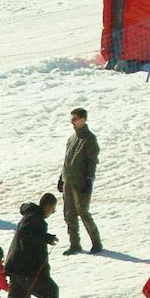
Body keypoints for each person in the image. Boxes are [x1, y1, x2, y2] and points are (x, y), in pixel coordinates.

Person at [0, 193, 60, 298]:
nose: (52, 212)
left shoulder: (31, 216)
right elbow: (25, 233)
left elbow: (27, 235)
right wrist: (45, 237)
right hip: (26, 268)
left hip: (17, 268)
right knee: (51, 292)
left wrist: (45, 238)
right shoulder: (34, 218)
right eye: (53, 209)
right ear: (47, 206)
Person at [59, 107, 101, 253]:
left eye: (75, 119)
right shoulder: (72, 138)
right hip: (68, 181)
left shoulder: (89, 138)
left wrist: (89, 180)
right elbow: (67, 160)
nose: (72, 122)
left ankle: (96, 242)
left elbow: (92, 161)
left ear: (83, 120)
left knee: (83, 212)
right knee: (69, 214)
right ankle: (74, 244)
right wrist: (61, 177)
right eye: (71, 119)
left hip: (81, 182)